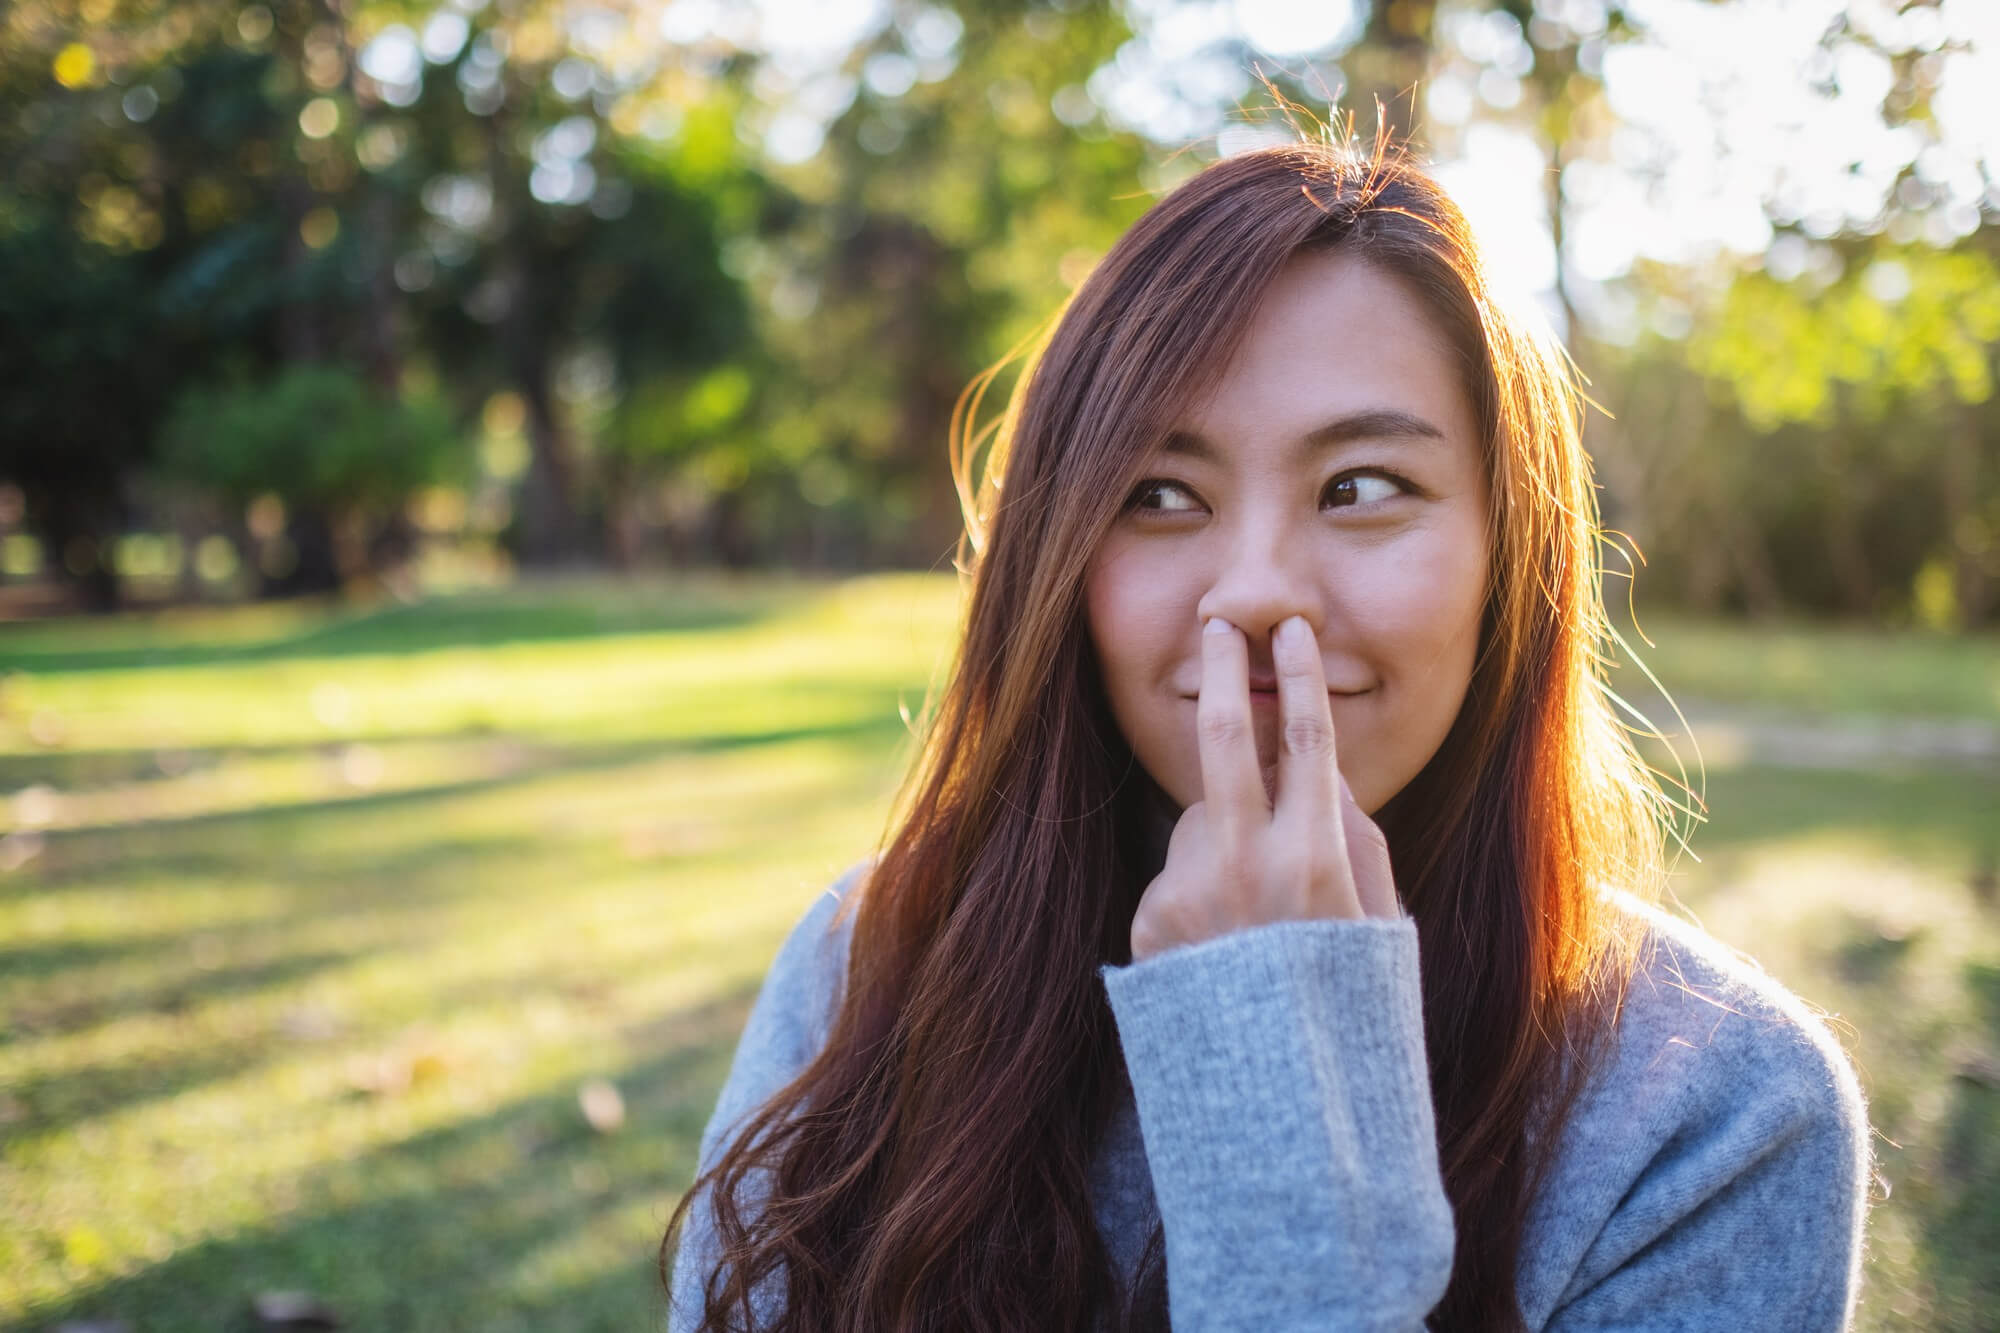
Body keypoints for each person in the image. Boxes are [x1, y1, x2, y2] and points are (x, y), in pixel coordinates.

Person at [661, 139, 1870, 1332]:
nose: (1251, 594)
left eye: (1358, 487)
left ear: (1511, 554)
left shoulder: (1716, 1111)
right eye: (1160, 495)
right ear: (1058, 558)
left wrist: (1279, 1144)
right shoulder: (861, 966)